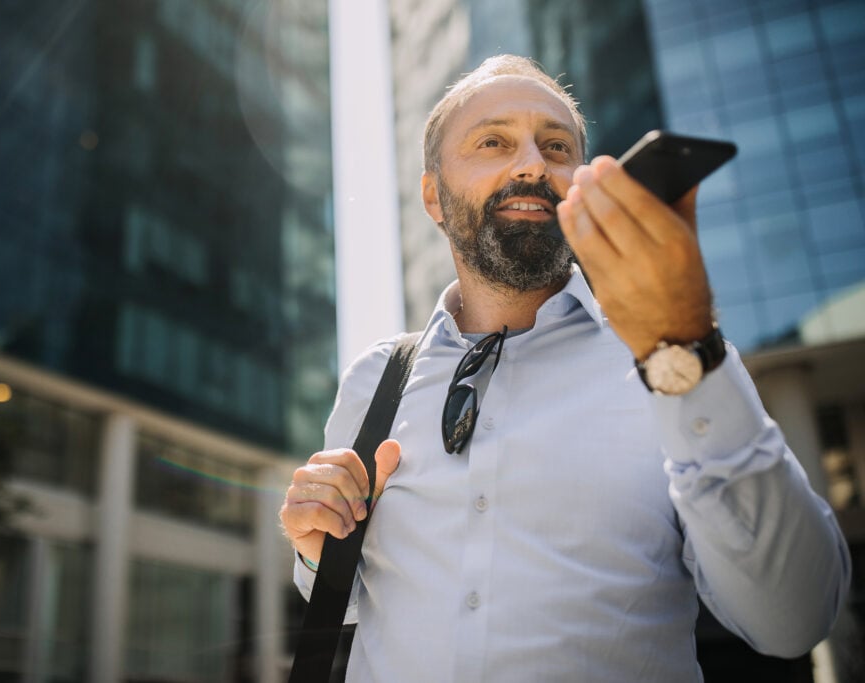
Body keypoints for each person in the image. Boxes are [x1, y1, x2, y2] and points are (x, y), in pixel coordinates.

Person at [279, 55, 850, 682]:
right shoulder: (374, 380)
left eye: (556, 147)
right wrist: (317, 549)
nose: (532, 165)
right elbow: (356, 596)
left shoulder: (675, 361)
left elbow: (794, 620)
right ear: (433, 196)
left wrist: (689, 353)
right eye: (493, 141)